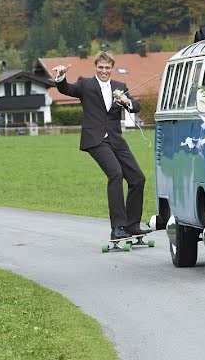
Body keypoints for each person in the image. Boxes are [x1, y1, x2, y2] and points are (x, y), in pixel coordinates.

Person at [53, 51, 151, 240]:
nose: (104, 70)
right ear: (95, 67)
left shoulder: (120, 86)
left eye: (107, 67)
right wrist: (61, 76)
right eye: (101, 67)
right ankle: (118, 227)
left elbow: (136, 106)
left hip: (115, 139)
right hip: (95, 139)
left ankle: (132, 225)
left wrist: (127, 101)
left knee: (138, 178)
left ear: (112, 68)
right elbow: (67, 89)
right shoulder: (85, 84)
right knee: (115, 174)